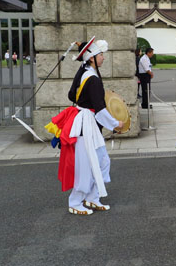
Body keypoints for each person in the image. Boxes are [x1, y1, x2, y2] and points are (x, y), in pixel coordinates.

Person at [45, 37, 123, 215]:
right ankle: (75, 201)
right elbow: (101, 109)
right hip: (85, 124)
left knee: (102, 160)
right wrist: (115, 124)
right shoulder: (92, 79)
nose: (103, 57)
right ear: (92, 58)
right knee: (85, 164)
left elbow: (72, 95)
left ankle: (92, 197)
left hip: (85, 121)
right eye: (100, 55)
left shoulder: (84, 72)